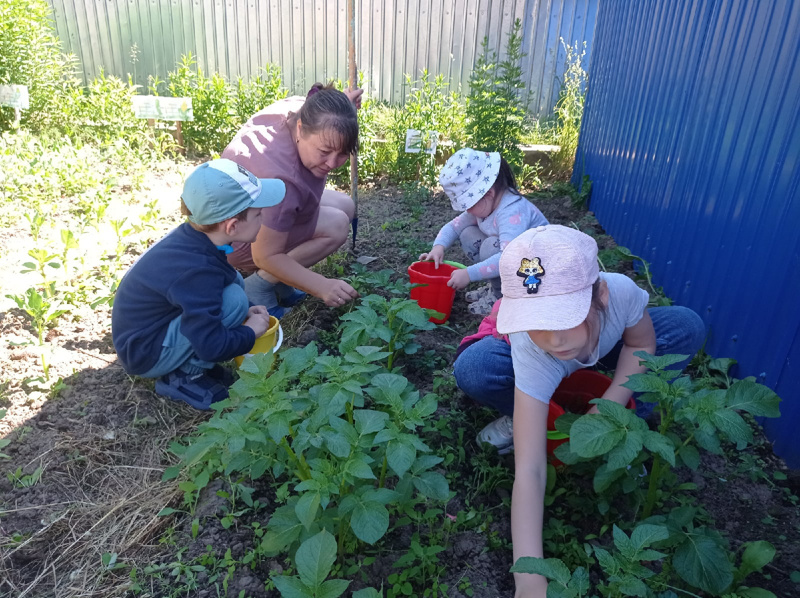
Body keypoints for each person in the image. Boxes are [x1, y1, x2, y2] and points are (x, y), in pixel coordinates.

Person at [453, 225, 705, 597]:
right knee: (476, 368)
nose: (554, 337)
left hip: (607, 350)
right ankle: (531, 416)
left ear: (598, 293)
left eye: (564, 316)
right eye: (538, 322)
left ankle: (623, 424)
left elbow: (642, 342)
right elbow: (531, 469)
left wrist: (610, 406)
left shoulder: (618, 292)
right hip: (541, 370)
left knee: (686, 325)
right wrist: (529, 576)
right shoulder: (534, 347)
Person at [112, 159, 286, 409]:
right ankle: (184, 378)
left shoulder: (198, 239)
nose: (263, 217)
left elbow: (220, 279)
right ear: (233, 226)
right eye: (258, 213)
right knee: (233, 301)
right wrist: (251, 333)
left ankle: (187, 364)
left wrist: (248, 309)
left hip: (151, 329)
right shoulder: (197, 271)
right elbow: (211, 346)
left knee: (235, 284)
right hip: (144, 352)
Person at [221, 83, 364, 317]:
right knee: (336, 226)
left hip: (246, 210)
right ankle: (259, 286)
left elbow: (324, 108)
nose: (332, 163)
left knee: (345, 205)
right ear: (300, 130)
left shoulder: (303, 109)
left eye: (342, 154)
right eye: (325, 151)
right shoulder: (280, 182)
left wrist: (344, 104)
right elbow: (264, 255)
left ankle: (281, 279)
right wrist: (321, 285)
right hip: (237, 239)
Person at [418, 148, 548, 315]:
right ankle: (495, 285)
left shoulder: (512, 211)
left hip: (533, 271)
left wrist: (469, 274)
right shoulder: (487, 204)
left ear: (488, 193)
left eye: (468, 205)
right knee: (467, 233)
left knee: (490, 247)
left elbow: (508, 257)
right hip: (513, 262)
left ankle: (502, 297)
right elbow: (454, 226)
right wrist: (438, 247)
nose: (468, 211)